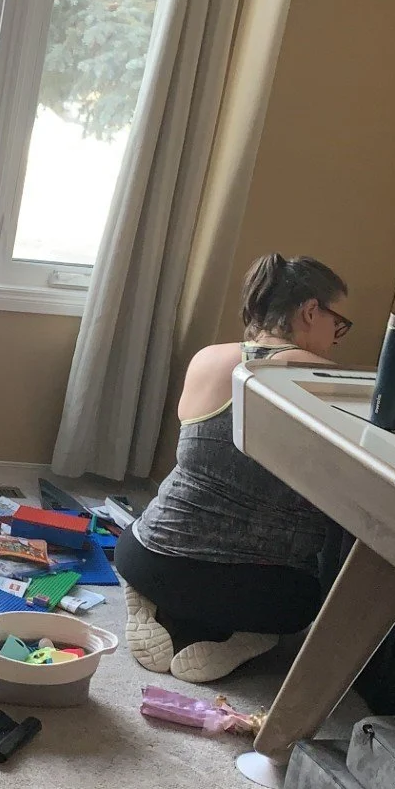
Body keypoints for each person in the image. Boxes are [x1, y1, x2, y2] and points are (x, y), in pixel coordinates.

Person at [115, 252, 350, 684]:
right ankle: (244, 638)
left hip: (146, 555)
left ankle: (144, 597)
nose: (338, 338)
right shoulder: (323, 379)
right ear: (311, 310)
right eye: (339, 324)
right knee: (306, 598)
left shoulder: (208, 358)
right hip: (243, 594)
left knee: (151, 521)